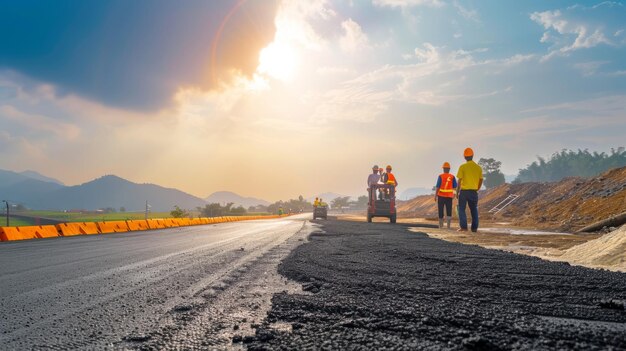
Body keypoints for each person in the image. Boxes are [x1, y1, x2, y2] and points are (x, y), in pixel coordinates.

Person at [456, 148, 483, 232]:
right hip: (473, 192)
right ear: (472, 156)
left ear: (464, 157)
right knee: (474, 209)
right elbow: (481, 179)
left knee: (461, 209)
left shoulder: (462, 167)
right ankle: (474, 228)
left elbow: (459, 180)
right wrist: (477, 188)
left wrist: (457, 191)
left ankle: (464, 228)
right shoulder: (478, 168)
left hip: (464, 192)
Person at [434, 162, 457, 229]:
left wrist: (435, 195)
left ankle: (441, 226)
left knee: (440, 210)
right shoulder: (452, 177)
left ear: (443, 169)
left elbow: (438, 187)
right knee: (449, 210)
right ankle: (448, 227)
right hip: (449, 197)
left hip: (441, 196)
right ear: (449, 169)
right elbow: (454, 187)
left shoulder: (440, 176)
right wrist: (454, 194)